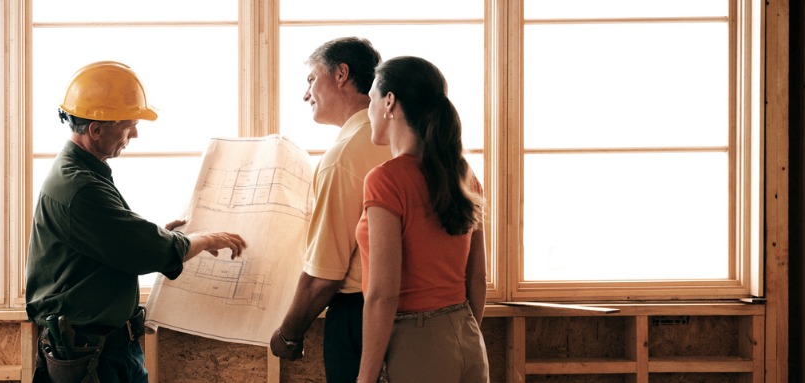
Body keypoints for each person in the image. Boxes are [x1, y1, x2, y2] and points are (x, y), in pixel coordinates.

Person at [26, 61, 248, 383]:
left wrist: (156, 236)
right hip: (92, 354)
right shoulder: (80, 187)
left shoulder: (80, 173)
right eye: (128, 125)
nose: (135, 134)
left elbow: (115, 240)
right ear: (96, 129)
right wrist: (205, 239)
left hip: (103, 348)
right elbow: (149, 252)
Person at [355, 56, 488, 383]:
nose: (368, 110)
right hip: (468, 339)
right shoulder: (464, 174)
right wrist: (459, 333)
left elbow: (383, 294)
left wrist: (365, 378)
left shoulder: (386, 179)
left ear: (390, 102)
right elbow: (478, 279)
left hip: (416, 343)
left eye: (371, 98)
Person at [267, 37, 388, 383]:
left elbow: (325, 274)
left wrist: (288, 334)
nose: (306, 95)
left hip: (358, 318)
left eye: (310, 80)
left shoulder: (344, 156)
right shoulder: (403, 137)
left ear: (341, 74)